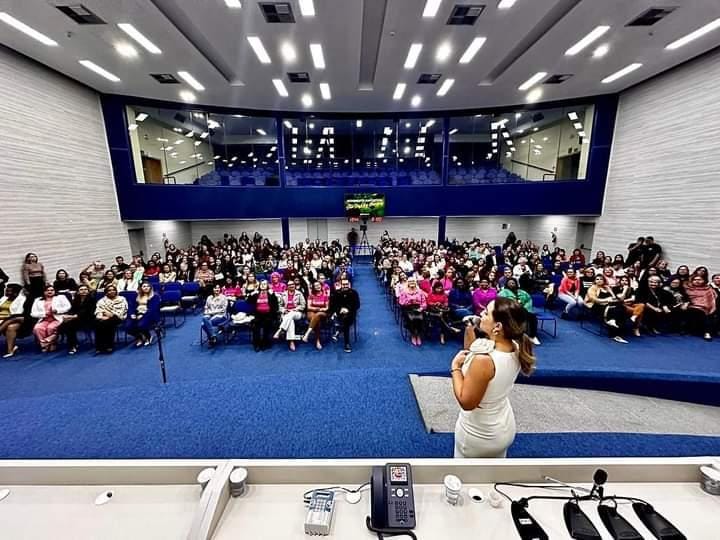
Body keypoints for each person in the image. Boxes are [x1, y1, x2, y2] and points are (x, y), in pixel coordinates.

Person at [451, 297, 535, 458]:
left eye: (486, 313)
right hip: (503, 427)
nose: (481, 313)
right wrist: (470, 329)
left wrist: (455, 368)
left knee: (465, 480)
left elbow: (466, 402)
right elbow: (471, 353)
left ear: (497, 326)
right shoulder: (516, 346)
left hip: (478, 435)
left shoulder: (484, 360)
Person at [585, 275, 628, 344]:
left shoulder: (606, 287)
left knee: (622, 308)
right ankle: (615, 333)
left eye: (601, 279)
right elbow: (594, 299)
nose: (599, 280)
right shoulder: (592, 288)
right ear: (595, 281)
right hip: (596, 306)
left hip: (608, 305)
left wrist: (610, 291)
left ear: (604, 280)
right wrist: (606, 300)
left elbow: (614, 297)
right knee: (615, 310)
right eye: (597, 279)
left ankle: (614, 325)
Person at [498, 278, 540, 345]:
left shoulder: (522, 292)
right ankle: (514, 337)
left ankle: (532, 336)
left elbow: (529, 300)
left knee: (532, 317)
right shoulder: (503, 292)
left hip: (523, 310)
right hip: (510, 311)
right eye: (510, 283)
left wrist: (525, 308)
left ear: (516, 284)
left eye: (513, 283)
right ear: (507, 284)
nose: (511, 284)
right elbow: (501, 302)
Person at [31, 284, 71, 352]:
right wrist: (43, 314)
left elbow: (68, 307)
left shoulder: (61, 297)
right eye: (47, 290)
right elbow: (32, 313)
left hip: (57, 318)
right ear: (44, 292)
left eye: (52, 290)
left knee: (51, 328)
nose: (50, 292)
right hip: (44, 319)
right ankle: (45, 345)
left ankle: (51, 344)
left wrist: (57, 310)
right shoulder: (37, 300)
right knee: (38, 328)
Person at [60, 284, 96, 354]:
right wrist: (69, 316)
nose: (83, 291)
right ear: (78, 292)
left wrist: (74, 316)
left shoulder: (92, 299)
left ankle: (72, 344)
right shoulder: (76, 299)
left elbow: (87, 311)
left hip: (89, 319)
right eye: (81, 290)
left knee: (69, 325)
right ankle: (73, 345)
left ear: (88, 291)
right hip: (77, 319)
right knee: (67, 324)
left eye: (85, 289)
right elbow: (72, 310)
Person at [328, 278, 360, 353]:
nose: (345, 286)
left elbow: (357, 305)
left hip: (351, 313)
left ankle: (342, 337)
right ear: (341, 285)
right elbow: (333, 305)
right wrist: (340, 309)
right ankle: (346, 343)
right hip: (339, 313)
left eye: (346, 284)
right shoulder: (337, 293)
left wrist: (348, 309)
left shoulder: (354, 293)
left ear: (349, 284)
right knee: (344, 321)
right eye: (343, 284)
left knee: (346, 320)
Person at [93, 285, 128, 354]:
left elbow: (122, 310)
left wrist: (110, 315)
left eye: (113, 290)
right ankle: (99, 347)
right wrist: (101, 316)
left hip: (118, 317)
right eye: (109, 290)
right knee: (98, 323)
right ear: (106, 292)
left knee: (108, 323)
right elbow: (98, 310)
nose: (112, 291)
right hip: (104, 317)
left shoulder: (122, 299)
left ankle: (109, 346)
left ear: (116, 291)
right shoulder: (102, 300)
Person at [274, 281, 306, 351]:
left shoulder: (299, 293)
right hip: (286, 313)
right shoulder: (284, 294)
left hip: (297, 313)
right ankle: (291, 341)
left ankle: (280, 330)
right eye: (289, 285)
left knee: (291, 314)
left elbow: (303, 305)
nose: (291, 286)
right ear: (287, 286)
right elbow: (279, 306)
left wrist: (294, 309)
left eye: (293, 284)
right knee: (290, 320)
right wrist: (284, 310)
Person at [247, 280, 278, 351]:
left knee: (267, 326)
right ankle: (257, 344)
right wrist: (252, 293)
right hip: (258, 314)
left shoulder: (271, 293)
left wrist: (273, 294)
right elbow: (249, 301)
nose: (263, 285)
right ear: (259, 285)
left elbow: (275, 305)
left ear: (267, 285)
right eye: (261, 284)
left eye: (264, 284)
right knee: (255, 326)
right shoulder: (256, 293)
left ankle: (265, 343)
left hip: (268, 314)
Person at [685, 275, 717, 341]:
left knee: (702, 313)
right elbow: (684, 298)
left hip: (705, 307)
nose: (697, 281)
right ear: (692, 281)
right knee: (695, 311)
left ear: (703, 281)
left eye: (699, 280)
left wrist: (707, 306)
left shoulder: (708, 289)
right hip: (691, 305)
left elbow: (711, 300)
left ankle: (707, 332)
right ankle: (705, 332)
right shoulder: (687, 288)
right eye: (695, 280)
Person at [127, 282, 159, 347]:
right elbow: (131, 306)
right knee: (128, 326)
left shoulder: (155, 296)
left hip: (149, 314)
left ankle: (148, 336)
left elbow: (152, 309)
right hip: (137, 313)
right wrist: (132, 314)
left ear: (150, 288)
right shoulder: (136, 296)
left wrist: (142, 314)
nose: (146, 287)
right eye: (144, 286)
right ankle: (140, 337)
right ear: (141, 288)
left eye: (148, 286)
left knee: (141, 325)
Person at [0, 284, 27, 358]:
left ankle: (10, 350)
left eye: (8, 291)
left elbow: (17, 314)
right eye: (6, 290)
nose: (6, 292)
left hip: (13, 319)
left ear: (15, 292)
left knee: (11, 327)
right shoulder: (3, 298)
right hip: (1, 318)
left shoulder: (21, 299)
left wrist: (2, 317)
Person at [398, 276, 427, 347]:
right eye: (410, 282)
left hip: (418, 308)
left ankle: (419, 335)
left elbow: (424, 302)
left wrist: (421, 308)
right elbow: (401, 302)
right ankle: (413, 335)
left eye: (413, 281)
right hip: (408, 308)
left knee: (421, 318)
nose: (412, 283)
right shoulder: (404, 291)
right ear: (408, 283)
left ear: (415, 283)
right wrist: (409, 301)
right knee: (411, 319)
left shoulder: (419, 291)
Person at [302, 281, 329, 350]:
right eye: (316, 285)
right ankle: (317, 341)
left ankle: (307, 334)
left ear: (321, 286)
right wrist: (317, 308)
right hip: (311, 312)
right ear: (313, 287)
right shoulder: (311, 295)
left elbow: (327, 307)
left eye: (319, 285)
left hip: (322, 313)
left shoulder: (325, 295)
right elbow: (308, 307)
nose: (318, 286)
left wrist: (321, 309)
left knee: (318, 315)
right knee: (317, 321)